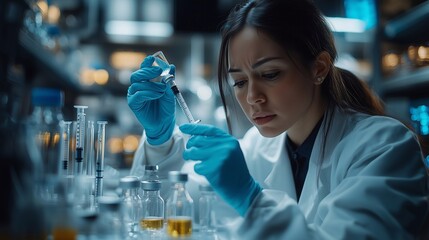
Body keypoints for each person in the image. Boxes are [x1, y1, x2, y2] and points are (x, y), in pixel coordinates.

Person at [127, 0, 429, 238]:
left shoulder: (384, 148)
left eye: (269, 74)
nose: (251, 98)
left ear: (319, 68)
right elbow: (170, 214)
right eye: (240, 82)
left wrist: (252, 199)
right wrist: (160, 140)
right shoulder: (256, 147)